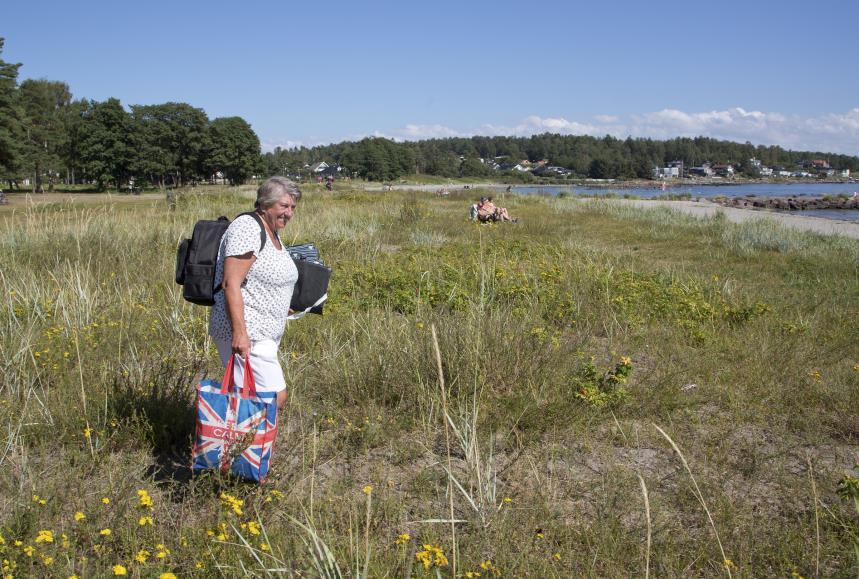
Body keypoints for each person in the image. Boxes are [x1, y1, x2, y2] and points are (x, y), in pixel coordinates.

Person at [208, 177, 300, 410]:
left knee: (251, 398)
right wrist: (240, 333)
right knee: (274, 396)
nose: (288, 213)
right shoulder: (248, 228)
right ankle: (244, 442)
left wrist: (281, 304)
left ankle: (245, 442)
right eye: (284, 206)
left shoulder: (270, 230)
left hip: (263, 331)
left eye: (292, 207)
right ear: (265, 204)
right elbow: (231, 283)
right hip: (246, 331)